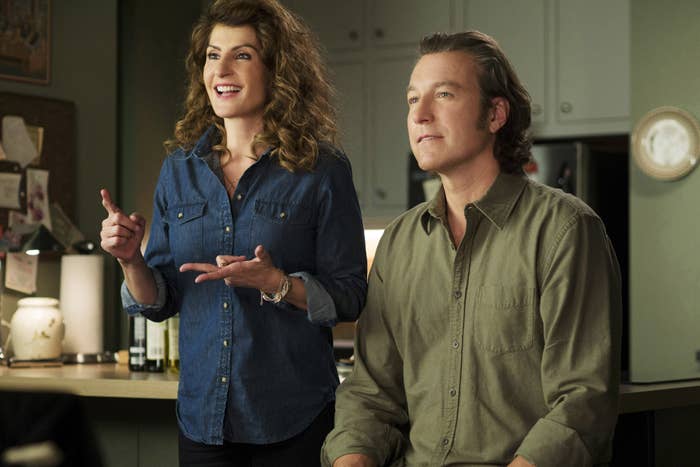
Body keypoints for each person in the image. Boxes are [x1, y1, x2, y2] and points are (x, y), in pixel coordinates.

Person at [322, 31, 622, 467]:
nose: (420, 115)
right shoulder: (400, 242)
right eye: (411, 100)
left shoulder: (565, 230)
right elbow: (371, 394)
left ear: (495, 113)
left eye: (443, 94)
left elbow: (581, 403)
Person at [99, 1, 367, 466]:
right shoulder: (179, 169)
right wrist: (129, 259)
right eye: (211, 55)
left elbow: (349, 296)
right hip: (204, 421)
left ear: (277, 69)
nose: (221, 69)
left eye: (241, 55)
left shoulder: (321, 170)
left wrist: (276, 284)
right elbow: (159, 301)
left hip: (294, 418)